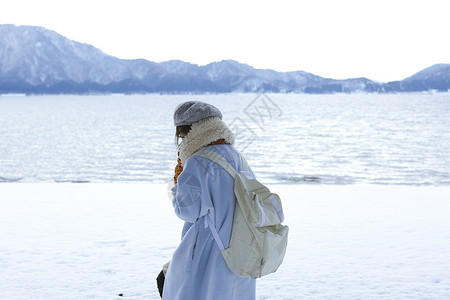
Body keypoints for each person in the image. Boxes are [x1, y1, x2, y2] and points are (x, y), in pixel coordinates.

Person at [162, 101, 256, 299]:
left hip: (208, 248)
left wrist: (179, 180)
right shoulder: (236, 156)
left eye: (180, 134)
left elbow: (187, 210)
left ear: (187, 131)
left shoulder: (198, 161)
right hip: (240, 245)